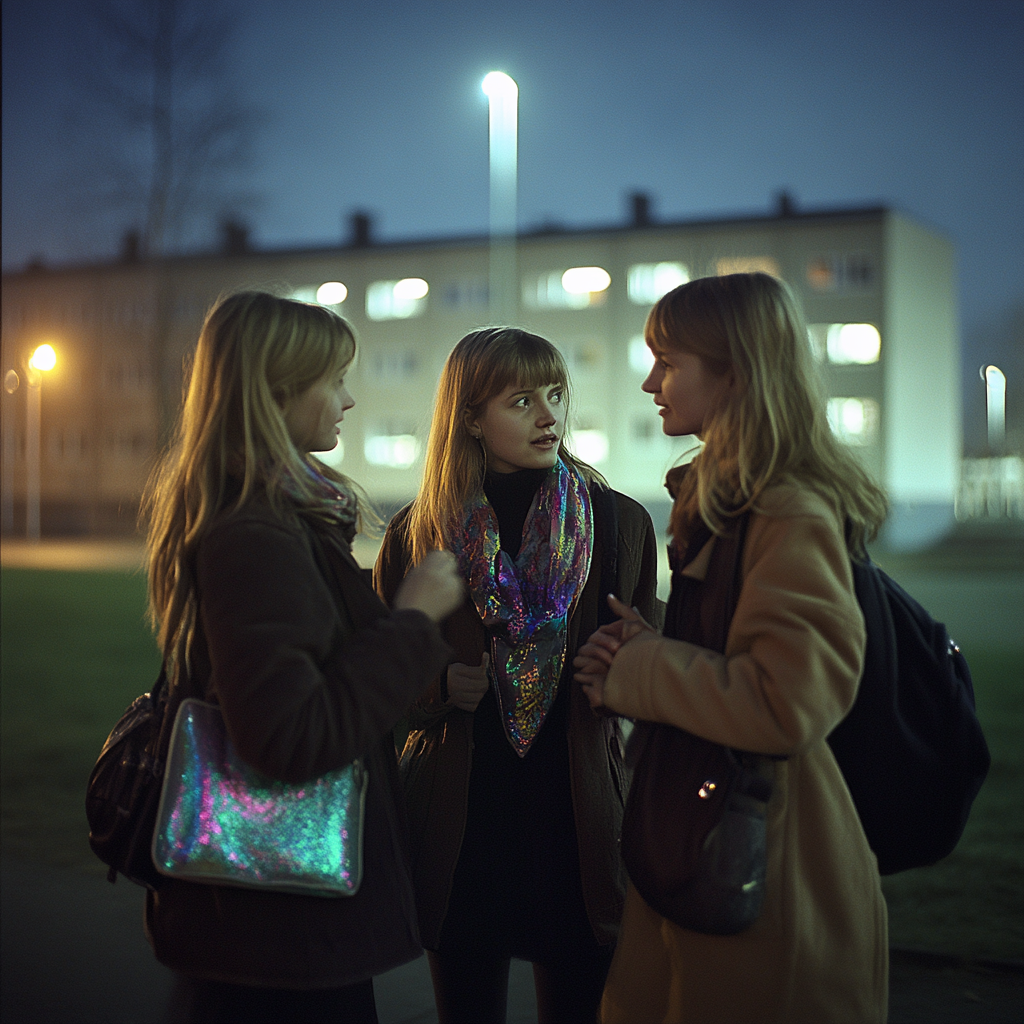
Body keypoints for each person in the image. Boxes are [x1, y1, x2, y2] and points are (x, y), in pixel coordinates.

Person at [574, 273, 890, 1024]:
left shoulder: (785, 510)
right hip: (700, 833)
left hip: (758, 858)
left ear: (736, 373)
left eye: (670, 361)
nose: (651, 380)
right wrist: (654, 646)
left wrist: (640, 669)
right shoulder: (725, 499)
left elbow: (788, 701)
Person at [141, 291, 463, 1024]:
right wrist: (414, 619)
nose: (349, 400)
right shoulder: (255, 535)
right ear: (278, 389)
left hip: (273, 924)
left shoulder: (279, 517)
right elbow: (291, 737)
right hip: (279, 932)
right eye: (333, 379)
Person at [373, 327, 660, 1024]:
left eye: (556, 395)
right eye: (522, 399)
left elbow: (651, 661)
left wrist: (628, 666)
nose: (548, 416)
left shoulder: (617, 523)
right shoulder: (421, 532)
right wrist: (439, 690)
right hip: (462, 826)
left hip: (578, 824)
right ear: (469, 417)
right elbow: (375, 673)